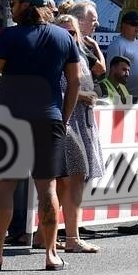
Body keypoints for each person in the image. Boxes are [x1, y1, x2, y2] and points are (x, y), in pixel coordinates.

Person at [0, 0, 80, 271]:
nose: (10, 7)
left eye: (13, 2)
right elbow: (75, 82)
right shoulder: (64, 38)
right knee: (48, 188)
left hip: (10, 118)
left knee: (4, 186)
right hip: (49, 118)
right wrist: (63, 119)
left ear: (27, 5)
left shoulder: (9, 37)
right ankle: (51, 254)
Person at [52, 14, 104, 253]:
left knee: (72, 180)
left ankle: (61, 236)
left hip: (82, 121)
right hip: (65, 121)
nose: (69, 37)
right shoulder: (53, 57)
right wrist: (81, 96)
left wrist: (88, 94)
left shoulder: (80, 54)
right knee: (69, 179)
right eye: (63, 33)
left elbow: (91, 79)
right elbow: (50, 92)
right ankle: (70, 237)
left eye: (72, 32)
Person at [104, 10, 138, 97]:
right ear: (123, 25)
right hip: (128, 97)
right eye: (134, 24)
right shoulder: (117, 44)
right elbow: (111, 74)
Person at [68, 0, 106, 79]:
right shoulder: (76, 42)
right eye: (93, 20)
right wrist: (95, 45)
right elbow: (101, 69)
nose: (97, 24)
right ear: (79, 21)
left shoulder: (76, 41)